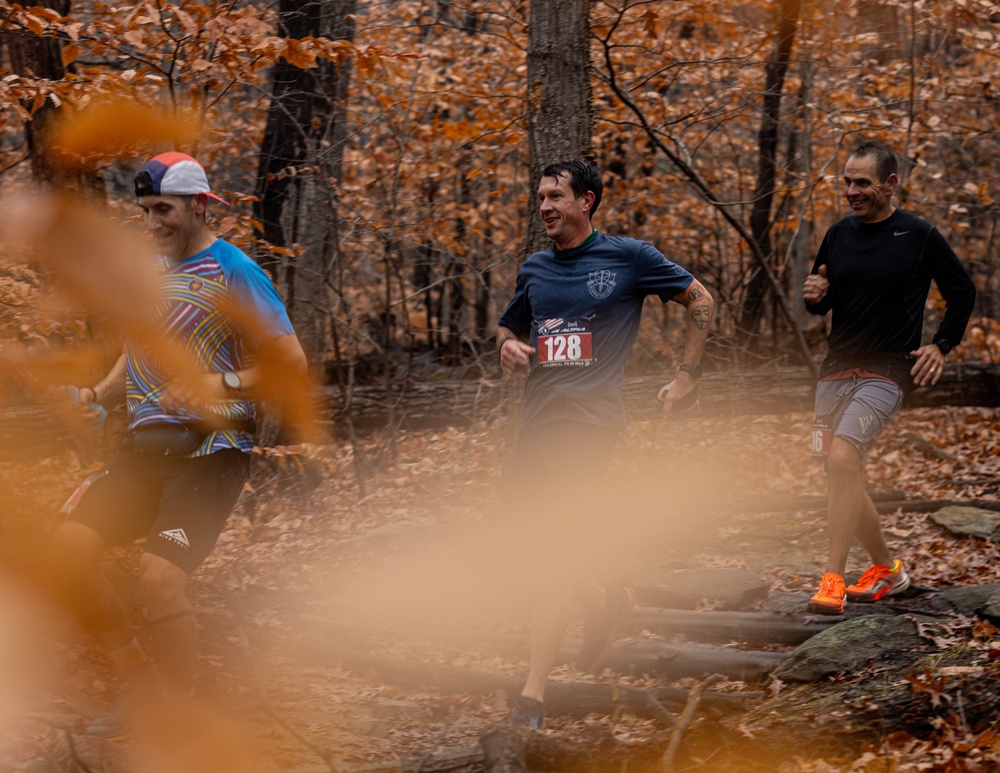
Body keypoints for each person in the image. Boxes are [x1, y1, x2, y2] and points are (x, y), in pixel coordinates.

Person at [47, 151, 308, 736]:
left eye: (163, 209)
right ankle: (141, 687)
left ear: (199, 206)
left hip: (211, 456)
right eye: (144, 210)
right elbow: (135, 355)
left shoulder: (236, 271)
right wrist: (94, 396)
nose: (152, 222)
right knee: (66, 553)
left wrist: (221, 383)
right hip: (142, 456)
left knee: (160, 577)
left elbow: (292, 364)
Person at [496, 159, 714, 728]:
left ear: (586, 201)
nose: (544, 206)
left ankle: (532, 697)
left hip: (590, 426)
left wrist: (688, 376)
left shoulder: (629, 257)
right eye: (541, 196)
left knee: (553, 554)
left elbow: (700, 298)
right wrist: (507, 345)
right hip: (535, 427)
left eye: (555, 196)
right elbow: (510, 325)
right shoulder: (535, 269)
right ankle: (602, 599)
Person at [803, 140, 976, 615]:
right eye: (847, 182)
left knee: (843, 459)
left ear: (890, 183)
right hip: (836, 368)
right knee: (841, 471)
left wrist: (941, 344)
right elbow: (821, 299)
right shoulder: (838, 234)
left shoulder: (918, 235)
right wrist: (815, 296)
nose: (851, 191)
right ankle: (888, 570)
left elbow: (962, 291)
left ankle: (833, 578)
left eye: (862, 182)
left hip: (888, 369)